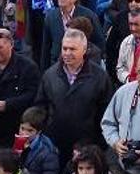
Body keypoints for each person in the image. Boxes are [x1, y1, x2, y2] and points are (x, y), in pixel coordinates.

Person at [35, 29, 112, 166]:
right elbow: (41, 108)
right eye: (64, 48)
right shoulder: (50, 75)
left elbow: (106, 113)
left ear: (84, 50)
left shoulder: (99, 77)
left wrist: (98, 144)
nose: (67, 53)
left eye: (72, 49)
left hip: (87, 147)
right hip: (55, 146)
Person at [40, 0, 102, 71]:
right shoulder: (51, 16)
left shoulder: (88, 15)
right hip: (56, 67)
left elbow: (99, 42)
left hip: (82, 67)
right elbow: (46, 47)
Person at [17, 106, 60, 174]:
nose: (24, 133)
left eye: (30, 131)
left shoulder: (48, 151)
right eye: (22, 128)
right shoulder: (18, 142)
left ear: (39, 132)